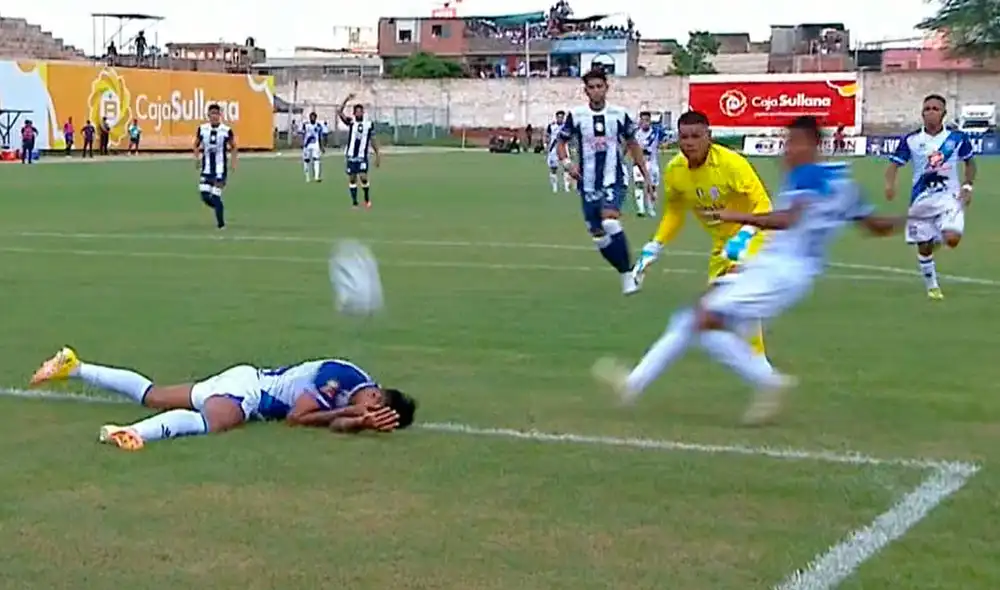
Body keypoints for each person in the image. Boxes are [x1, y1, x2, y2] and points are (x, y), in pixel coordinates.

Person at [593, 116, 904, 425]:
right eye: (786, 142)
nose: (787, 149)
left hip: (780, 270)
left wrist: (738, 218)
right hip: (779, 268)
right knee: (695, 319)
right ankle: (634, 385)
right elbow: (875, 227)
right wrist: (913, 218)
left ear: (814, 145)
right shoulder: (844, 184)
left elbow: (788, 219)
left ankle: (766, 381)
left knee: (698, 319)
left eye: (794, 142)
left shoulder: (806, 176)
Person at [29, 347, 417, 451]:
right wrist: (354, 413)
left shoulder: (356, 399)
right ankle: (131, 433)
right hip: (249, 390)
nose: (367, 412)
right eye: (374, 409)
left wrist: (360, 424)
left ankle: (75, 366)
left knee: (153, 395)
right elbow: (298, 418)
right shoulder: (343, 377)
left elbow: (336, 423)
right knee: (213, 423)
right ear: (377, 394)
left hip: (244, 380)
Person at [631, 110, 774, 363]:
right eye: (684, 137)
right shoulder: (676, 170)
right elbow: (675, 211)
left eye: (696, 136)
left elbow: (763, 205)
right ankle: (760, 369)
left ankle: (761, 368)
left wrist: (744, 236)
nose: (689, 143)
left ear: (709, 136)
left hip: (755, 235)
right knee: (716, 313)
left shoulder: (732, 164)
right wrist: (655, 245)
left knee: (733, 291)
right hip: (721, 244)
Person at [556, 68, 655, 295]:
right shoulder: (576, 115)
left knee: (610, 221)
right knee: (599, 236)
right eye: (591, 87)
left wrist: (646, 176)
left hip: (614, 178)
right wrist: (568, 164)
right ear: (586, 91)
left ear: (606, 88)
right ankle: (625, 272)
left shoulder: (619, 114)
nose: (596, 91)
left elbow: (633, 145)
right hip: (588, 183)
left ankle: (628, 277)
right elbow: (561, 143)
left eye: (600, 86)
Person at [884, 94, 976, 300]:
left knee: (952, 239)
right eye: (927, 109)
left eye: (935, 108)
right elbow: (893, 165)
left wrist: (968, 186)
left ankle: (938, 236)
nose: (930, 112)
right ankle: (932, 286)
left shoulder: (957, 138)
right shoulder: (912, 140)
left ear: (944, 113)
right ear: (922, 113)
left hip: (950, 198)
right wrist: (890, 185)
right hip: (921, 200)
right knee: (924, 247)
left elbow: (970, 163)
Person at [194, 103, 237, 229]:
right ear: (208, 115)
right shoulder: (202, 129)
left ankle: (221, 224)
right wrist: (196, 159)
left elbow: (234, 146)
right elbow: (195, 144)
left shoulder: (226, 130)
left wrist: (233, 162)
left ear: (220, 115)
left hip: (220, 169)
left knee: (216, 195)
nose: (214, 116)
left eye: (216, 114)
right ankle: (219, 208)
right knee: (205, 196)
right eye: (212, 114)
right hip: (206, 169)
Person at [337, 94, 381, 209]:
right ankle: (355, 202)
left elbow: (373, 140)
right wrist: (346, 99)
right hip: (351, 155)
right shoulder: (351, 122)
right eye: (357, 112)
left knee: (363, 177)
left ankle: (366, 199)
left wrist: (377, 155)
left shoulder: (368, 125)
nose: (359, 114)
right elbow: (339, 112)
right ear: (354, 113)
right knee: (352, 178)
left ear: (363, 113)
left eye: (361, 112)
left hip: (362, 156)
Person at [632, 111, 668, 217]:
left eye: (647, 120)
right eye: (643, 120)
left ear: (650, 121)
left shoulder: (656, 132)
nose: (645, 123)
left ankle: (651, 208)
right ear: (640, 121)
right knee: (639, 184)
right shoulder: (635, 133)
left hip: (652, 164)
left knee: (652, 187)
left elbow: (667, 139)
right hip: (638, 164)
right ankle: (641, 209)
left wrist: (663, 145)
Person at [545, 110, 572, 193]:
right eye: (558, 117)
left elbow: (570, 137)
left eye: (561, 117)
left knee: (566, 167)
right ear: (556, 117)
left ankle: (566, 186)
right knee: (553, 168)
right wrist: (546, 146)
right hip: (553, 149)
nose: (560, 119)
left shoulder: (566, 126)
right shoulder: (551, 126)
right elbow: (547, 136)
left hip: (564, 148)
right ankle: (554, 187)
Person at [300, 111, 325, 183]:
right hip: (307, 145)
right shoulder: (306, 125)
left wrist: (321, 146)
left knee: (316, 159)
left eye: (314, 117)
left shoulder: (319, 126)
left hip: (315, 144)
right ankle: (307, 177)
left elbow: (320, 137)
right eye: (311, 117)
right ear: (309, 118)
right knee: (306, 160)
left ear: (316, 118)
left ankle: (317, 177)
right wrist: (302, 143)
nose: (312, 118)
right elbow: (303, 134)